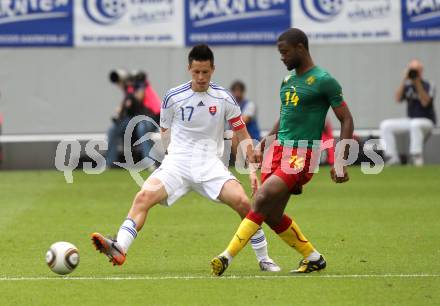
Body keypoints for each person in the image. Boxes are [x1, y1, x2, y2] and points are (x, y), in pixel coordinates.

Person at [91, 44, 280, 272]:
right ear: (189, 68)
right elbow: (164, 132)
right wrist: (171, 158)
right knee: (143, 197)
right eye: (196, 72)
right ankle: (120, 247)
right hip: (178, 164)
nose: (201, 77)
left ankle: (264, 258)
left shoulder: (224, 98)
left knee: (243, 203)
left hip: (210, 165)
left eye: (205, 72)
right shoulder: (173, 97)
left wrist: (251, 171)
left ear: (213, 69)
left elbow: (242, 134)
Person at [211, 28, 354, 276]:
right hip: (278, 151)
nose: (282, 57)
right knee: (271, 214)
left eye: (285, 52)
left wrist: (340, 160)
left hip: (302, 155)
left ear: (300, 48)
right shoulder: (287, 82)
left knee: (262, 197)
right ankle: (313, 257)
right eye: (280, 53)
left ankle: (226, 256)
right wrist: (264, 144)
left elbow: (347, 119)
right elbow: (285, 119)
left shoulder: (323, 80)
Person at [380, 59, 436, 166]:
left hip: (427, 121)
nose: (414, 72)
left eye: (416, 70)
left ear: (421, 71)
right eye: (412, 70)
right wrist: (404, 80)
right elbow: (397, 99)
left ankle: (417, 157)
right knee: (385, 125)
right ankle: (393, 157)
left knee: (416, 124)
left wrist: (417, 83)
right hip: (411, 120)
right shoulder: (407, 86)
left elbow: (425, 103)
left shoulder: (429, 85)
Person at [106, 70, 159, 168]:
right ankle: (109, 163)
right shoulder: (129, 90)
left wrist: (136, 88)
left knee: (142, 128)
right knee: (112, 130)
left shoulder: (143, 86)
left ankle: (150, 162)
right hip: (135, 119)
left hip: (151, 117)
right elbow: (125, 107)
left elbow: (140, 98)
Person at [229, 80, 261, 162]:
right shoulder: (230, 106)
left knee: (234, 134)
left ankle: (243, 162)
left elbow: (243, 121)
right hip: (238, 139)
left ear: (243, 92)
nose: (237, 93)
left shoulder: (250, 105)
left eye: (239, 90)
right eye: (235, 91)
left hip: (251, 137)